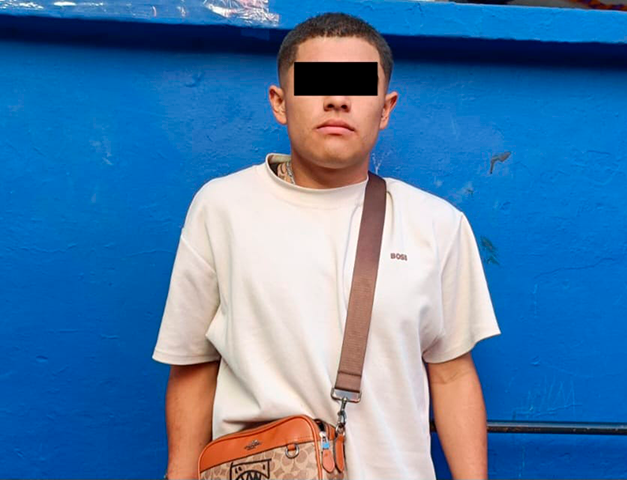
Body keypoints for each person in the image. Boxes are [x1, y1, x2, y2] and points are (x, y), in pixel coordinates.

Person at [152, 11, 501, 480]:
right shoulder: (222, 208)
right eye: (317, 83)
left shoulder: (437, 223)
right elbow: (194, 366)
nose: (337, 100)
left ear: (385, 109)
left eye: (357, 86)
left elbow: (452, 373)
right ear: (279, 103)